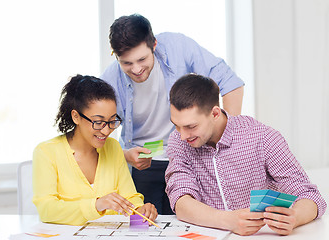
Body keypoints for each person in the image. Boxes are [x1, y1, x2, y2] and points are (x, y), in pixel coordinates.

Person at [100, 14, 245, 214]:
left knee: (193, 221)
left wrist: (228, 141)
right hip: (142, 165)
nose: (136, 69)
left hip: (188, 156)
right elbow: (96, 135)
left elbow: (231, 83)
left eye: (142, 59)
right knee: (145, 226)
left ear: (154, 45)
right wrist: (125, 155)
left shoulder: (179, 47)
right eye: (126, 63)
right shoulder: (109, 80)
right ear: (115, 56)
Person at [165, 73, 327, 236]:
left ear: (215, 114)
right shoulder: (178, 142)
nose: (182, 136)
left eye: (190, 126)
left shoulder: (263, 138)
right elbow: (181, 201)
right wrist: (228, 221)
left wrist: (295, 217)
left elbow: (310, 197)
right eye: (177, 126)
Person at [32, 75, 157, 225]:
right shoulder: (46, 152)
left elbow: (129, 196)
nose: (106, 131)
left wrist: (140, 209)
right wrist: (96, 205)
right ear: (76, 116)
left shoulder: (113, 147)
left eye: (112, 121)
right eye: (98, 122)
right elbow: (47, 210)